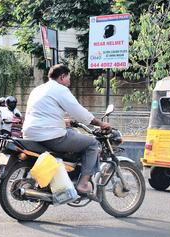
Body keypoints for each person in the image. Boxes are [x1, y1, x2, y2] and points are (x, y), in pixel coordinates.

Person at [22, 64, 110, 195]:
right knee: (92, 144)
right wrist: (100, 123)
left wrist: (63, 122)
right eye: (69, 77)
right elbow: (79, 112)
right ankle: (83, 184)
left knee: (71, 133)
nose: (70, 81)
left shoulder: (38, 89)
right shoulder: (60, 89)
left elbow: (41, 113)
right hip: (50, 136)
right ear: (62, 77)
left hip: (30, 134)